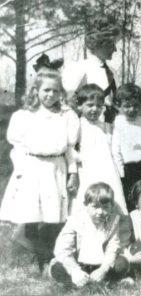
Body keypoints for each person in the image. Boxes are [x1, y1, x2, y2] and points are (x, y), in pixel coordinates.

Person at [0, 71, 79, 270]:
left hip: (56, 168)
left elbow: (70, 149)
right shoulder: (25, 116)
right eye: (46, 90)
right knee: (31, 215)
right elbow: (17, 148)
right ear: (36, 90)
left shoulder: (66, 116)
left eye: (55, 90)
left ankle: (48, 256)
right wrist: (21, 171)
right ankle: (34, 257)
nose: (50, 95)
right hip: (32, 168)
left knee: (53, 216)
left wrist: (73, 173)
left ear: (61, 92)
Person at [49, 183, 130, 288]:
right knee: (57, 267)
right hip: (78, 264)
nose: (100, 212)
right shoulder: (75, 220)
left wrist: (103, 269)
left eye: (105, 207)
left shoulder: (113, 221)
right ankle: (79, 282)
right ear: (86, 205)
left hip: (100, 264)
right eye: (95, 207)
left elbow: (113, 247)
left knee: (122, 263)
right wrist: (75, 271)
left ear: (112, 207)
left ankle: (99, 280)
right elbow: (62, 249)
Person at [71, 84, 127, 215]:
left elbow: (113, 149)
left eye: (99, 106)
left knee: (112, 203)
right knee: (86, 204)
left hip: (108, 171)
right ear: (80, 106)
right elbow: (72, 149)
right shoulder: (78, 124)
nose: (95, 109)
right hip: (87, 170)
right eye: (90, 105)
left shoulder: (106, 126)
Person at [62, 15, 120, 123]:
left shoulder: (113, 72)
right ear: (100, 43)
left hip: (110, 129)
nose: (115, 49)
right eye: (112, 44)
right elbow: (67, 103)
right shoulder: (79, 68)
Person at [112, 83, 141, 211]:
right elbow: (116, 150)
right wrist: (121, 174)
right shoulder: (118, 122)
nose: (131, 109)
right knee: (128, 204)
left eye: (135, 106)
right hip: (126, 171)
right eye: (127, 106)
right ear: (119, 105)